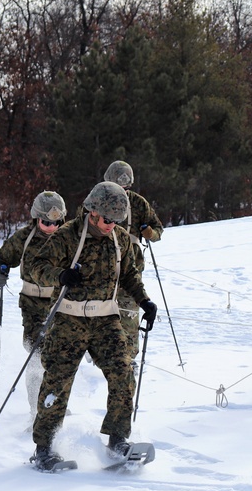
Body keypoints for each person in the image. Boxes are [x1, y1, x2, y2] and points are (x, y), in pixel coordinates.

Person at [25, 181, 158, 470]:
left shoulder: (120, 239)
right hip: (68, 320)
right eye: (107, 219)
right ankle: (44, 448)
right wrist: (60, 276)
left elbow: (130, 275)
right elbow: (36, 266)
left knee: (123, 374)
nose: (112, 225)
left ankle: (118, 440)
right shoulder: (66, 236)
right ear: (92, 212)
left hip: (106, 320)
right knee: (57, 381)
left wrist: (145, 301)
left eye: (117, 221)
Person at [0, 191, 67, 421]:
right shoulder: (23, 238)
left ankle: (54, 405)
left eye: (56, 222)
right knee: (36, 355)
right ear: (36, 218)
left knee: (60, 356)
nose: (51, 227)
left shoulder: (68, 238)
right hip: (32, 304)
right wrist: (1, 272)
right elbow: (1, 258)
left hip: (62, 304)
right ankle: (36, 411)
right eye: (46, 222)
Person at [103, 160, 164, 363]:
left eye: (126, 187)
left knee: (129, 316)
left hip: (131, 269)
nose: (123, 190)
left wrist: (149, 232)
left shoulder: (139, 203)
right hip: (100, 268)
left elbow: (158, 231)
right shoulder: (97, 200)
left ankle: (129, 361)